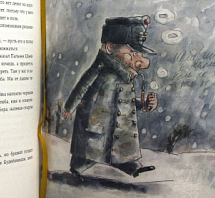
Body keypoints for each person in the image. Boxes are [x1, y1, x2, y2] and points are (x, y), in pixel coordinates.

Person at [62, 16, 158, 179]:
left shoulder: (127, 76)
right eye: (130, 53)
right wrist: (70, 106)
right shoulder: (100, 68)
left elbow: (128, 101)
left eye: (136, 53)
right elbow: (83, 86)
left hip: (119, 124)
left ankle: (132, 167)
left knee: (120, 148)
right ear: (110, 47)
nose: (135, 58)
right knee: (90, 149)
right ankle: (77, 169)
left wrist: (144, 104)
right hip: (97, 120)